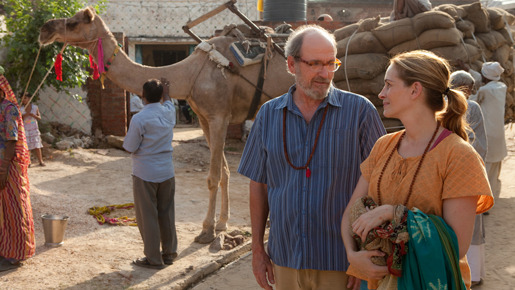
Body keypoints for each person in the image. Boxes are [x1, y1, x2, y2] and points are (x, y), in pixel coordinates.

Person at [238, 25, 386, 290]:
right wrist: (258, 250)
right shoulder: (268, 115)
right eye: (315, 63)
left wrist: (361, 253)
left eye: (331, 63)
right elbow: (258, 185)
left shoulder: (360, 112)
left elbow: (381, 183)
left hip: (342, 260)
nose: (325, 73)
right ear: (292, 64)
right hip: (285, 258)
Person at [341, 50, 493, 290]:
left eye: (389, 85)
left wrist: (393, 213)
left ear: (415, 90)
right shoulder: (384, 146)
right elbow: (351, 210)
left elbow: (456, 245)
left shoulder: (458, 155)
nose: (381, 94)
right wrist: (352, 255)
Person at [123, 78, 178, 270]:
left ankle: (154, 258)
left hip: (145, 172)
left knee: (148, 217)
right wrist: (167, 94)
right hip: (167, 171)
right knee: (166, 213)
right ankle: (169, 253)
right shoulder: (170, 112)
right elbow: (169, 102)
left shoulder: (139, 118)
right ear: (161, 95)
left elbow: (130, 147)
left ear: (143, 95)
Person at [450, 70, 488, 287]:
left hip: (452, 171)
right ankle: (472, 276)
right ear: (466, 89)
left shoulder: (441, 105)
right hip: (469, 170)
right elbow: (480, 144)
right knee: (472, 224)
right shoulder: (471, 107)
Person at [0, 74, 35, 272]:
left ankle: (15, 254)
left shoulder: (9, 109)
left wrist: (4, 169)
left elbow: (12, 140)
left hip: (9, 165)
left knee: (14, 207)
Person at [470, 62, 507, 203]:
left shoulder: (484, 91)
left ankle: (486, 202)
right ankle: (492, 197)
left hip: (488, 134)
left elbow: (472, 101)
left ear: (485, 77)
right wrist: (469, 70)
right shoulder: (502, 87)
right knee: (495, 167)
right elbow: (485, 77)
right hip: (498, 133)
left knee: (486, 169)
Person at [20, 93, 45, 167]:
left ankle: (41, 161)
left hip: (34, 128)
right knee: (27, 147)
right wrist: (26, 114)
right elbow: (20, 119)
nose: (24, 100)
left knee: (37, 146)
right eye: (23, 98)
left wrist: (33, 115)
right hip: (26, 129)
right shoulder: (21, 108)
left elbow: (39, 117)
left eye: (25, 98)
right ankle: (29, 162)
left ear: (29, 99)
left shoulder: (35, 107)